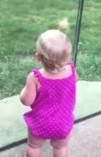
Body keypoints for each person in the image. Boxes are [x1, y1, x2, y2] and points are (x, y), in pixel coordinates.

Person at [19, 18, 78, 157]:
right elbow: (75, 81)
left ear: (38, 57)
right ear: (67, 56)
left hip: (41, 122)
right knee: (60, 148)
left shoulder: (35, 78)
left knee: (34, 146)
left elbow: (26, 100)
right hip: (64, 122)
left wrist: (23, 92)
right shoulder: (72, 70)